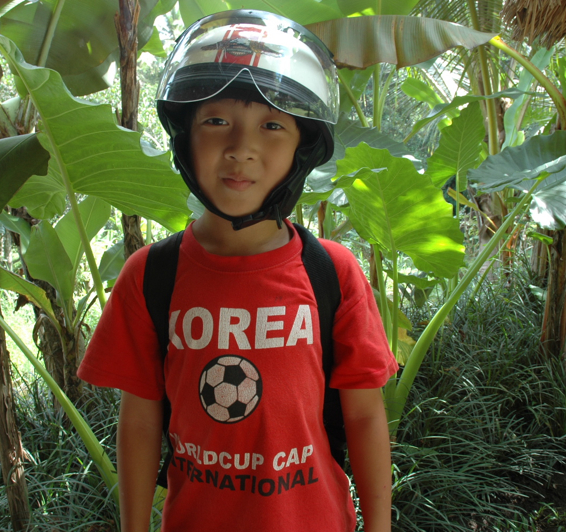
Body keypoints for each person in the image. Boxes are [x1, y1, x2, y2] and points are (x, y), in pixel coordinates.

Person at [78, 9, 399, 532]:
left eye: (272, 125)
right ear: (185, 136)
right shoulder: (151, 276)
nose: (241, 148)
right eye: (216, 121)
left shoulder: (332, 274)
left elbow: (364, 415)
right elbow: (139, 421)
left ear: (302, 146)